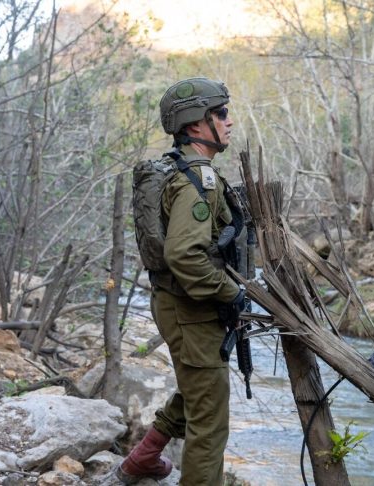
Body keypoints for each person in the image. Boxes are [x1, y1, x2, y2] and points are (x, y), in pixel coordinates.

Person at [118, 78, 247, 485]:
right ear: (195, 125)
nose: (228, 121)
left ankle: (144, 457)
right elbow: (184, 255)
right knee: (209, 426)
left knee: (202, 389)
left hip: (182, 305)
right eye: (220, 113)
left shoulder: (188, 172)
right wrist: (232, 292)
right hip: (190, 309)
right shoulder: (197, 183)